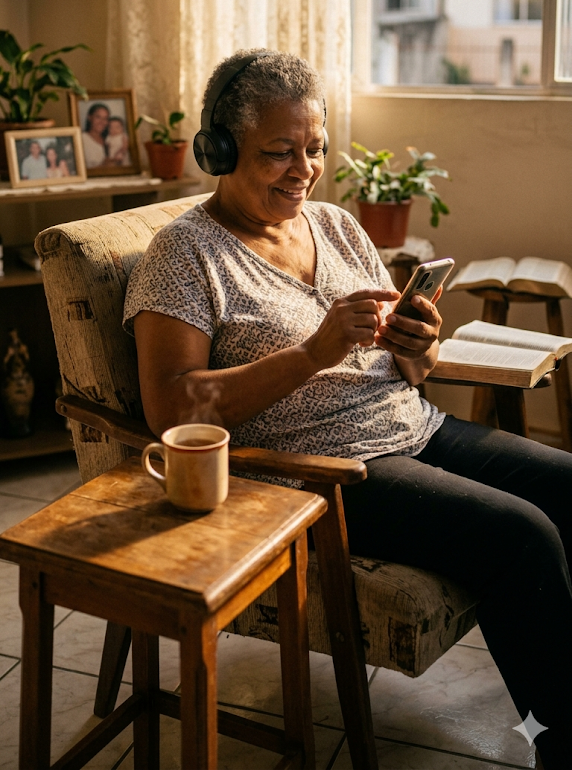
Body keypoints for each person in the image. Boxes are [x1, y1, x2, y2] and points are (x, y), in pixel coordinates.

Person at [124, 50, 571, 770]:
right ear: (221, 148)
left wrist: (418, 345)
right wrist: (311, 352)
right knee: (522, 538)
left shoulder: (333, 224)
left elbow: (413, 371)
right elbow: (172, 405)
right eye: (278, 153)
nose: (304, 169)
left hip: (414, 426)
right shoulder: (183, 255)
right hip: (322, 471)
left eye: (315, 148)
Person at [81, 103, 111, 168]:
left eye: (105, 118)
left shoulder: (108, 139)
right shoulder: (82, 138)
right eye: (98, 117)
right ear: (89, 117)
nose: (102, 122)